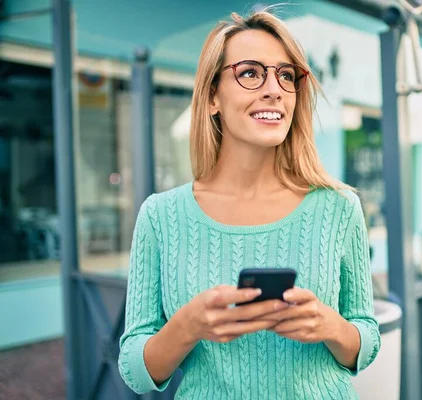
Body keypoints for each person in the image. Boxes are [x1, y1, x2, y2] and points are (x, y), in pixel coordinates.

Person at [118, 9, 380, 400]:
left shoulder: (339, 207)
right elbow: (134, 372)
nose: (274, 89)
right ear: (211, 97)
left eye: (286, 75)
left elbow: (367, 339)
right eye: (251, 73)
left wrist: (330, 326)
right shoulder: (160, 216)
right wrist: (188, 325)